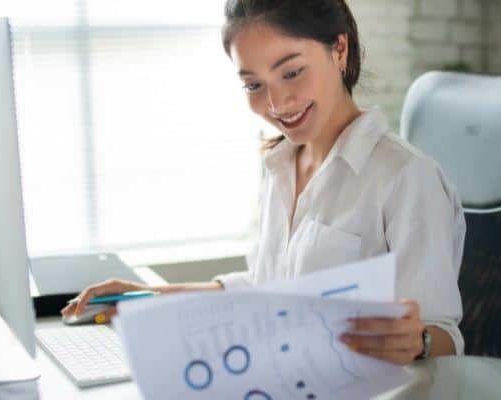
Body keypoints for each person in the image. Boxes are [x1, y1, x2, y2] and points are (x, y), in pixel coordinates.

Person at [62, 0, 465, 365]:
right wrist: (149, 298)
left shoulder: (405, 177)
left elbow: (443, 336)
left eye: (292, 72)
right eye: (254, 85)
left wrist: (417, 341)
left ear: (339, 50)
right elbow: (264, 289)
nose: (276, 104)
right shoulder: (280, 165)